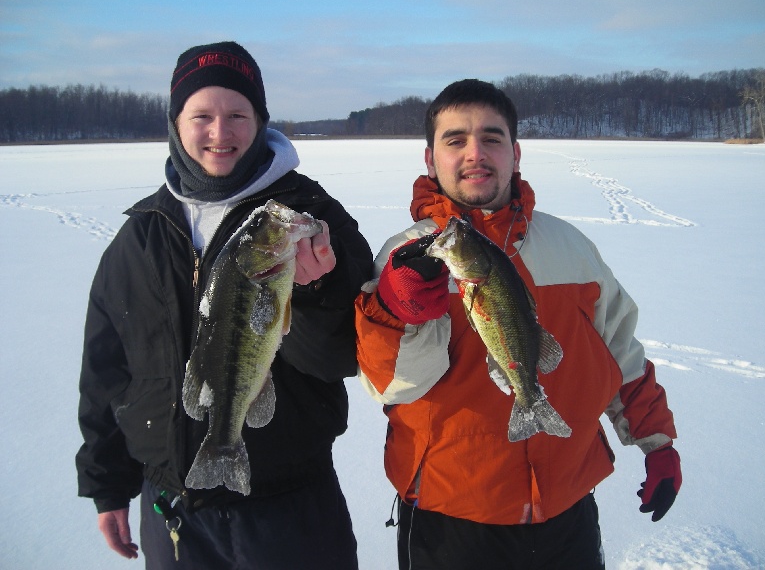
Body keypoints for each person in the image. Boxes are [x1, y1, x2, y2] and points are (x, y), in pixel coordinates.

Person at [354, 79, 681, 569]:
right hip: (450, 517)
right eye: (455, 140)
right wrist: (400, 312)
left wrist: (658, 443)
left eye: (491, 138)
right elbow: (389, 385)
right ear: (429, 160)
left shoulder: (570, 247)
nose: (475, 153)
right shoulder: (405, 255)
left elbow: (620, 354)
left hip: (567, 509)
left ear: (515, 152)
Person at [76, 41, 373, 569]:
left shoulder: (309, 217)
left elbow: (344, 358)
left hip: (288, 509)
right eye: (202, 116)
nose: (220, 132)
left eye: (237, 114)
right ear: (176, 122)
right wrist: (108, 485)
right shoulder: (142, 234)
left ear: (260, 121)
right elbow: (107, 370)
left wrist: (313, 293)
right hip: (171, 508)